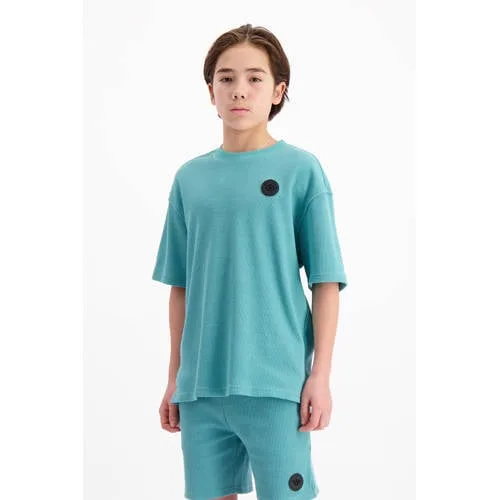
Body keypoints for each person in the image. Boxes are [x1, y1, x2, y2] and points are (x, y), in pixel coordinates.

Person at [153, 23, 348, 500]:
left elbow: (325, 281)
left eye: (255, 78)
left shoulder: (301, 171)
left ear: (278, 90)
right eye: (226, 78)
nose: (239, 89)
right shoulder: (189, 179)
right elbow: (180, 286)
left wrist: (320, 376)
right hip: (201, 390)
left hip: (276, 387)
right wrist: (175, 377)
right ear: (211, 91)